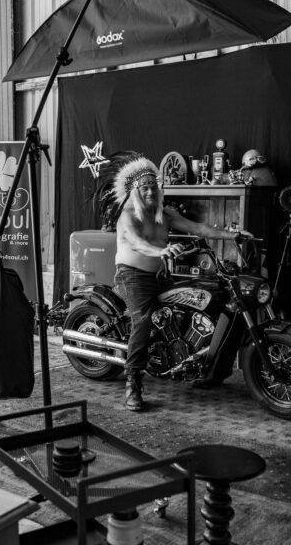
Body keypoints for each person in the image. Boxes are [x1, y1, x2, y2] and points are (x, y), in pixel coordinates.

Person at [102, 151, 252, 412]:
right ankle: (133, 383)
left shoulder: (166, 214)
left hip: (160, 275)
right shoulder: (128, 215)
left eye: (153, 186)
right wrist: (162, 250)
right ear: (136, 190)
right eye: (145, 187)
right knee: (143, 321)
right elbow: (138, 244)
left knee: (199, 300)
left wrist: (233, 235)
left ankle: (206, 368)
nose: (150, 191)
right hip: (132, 277)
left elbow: (198, 228)